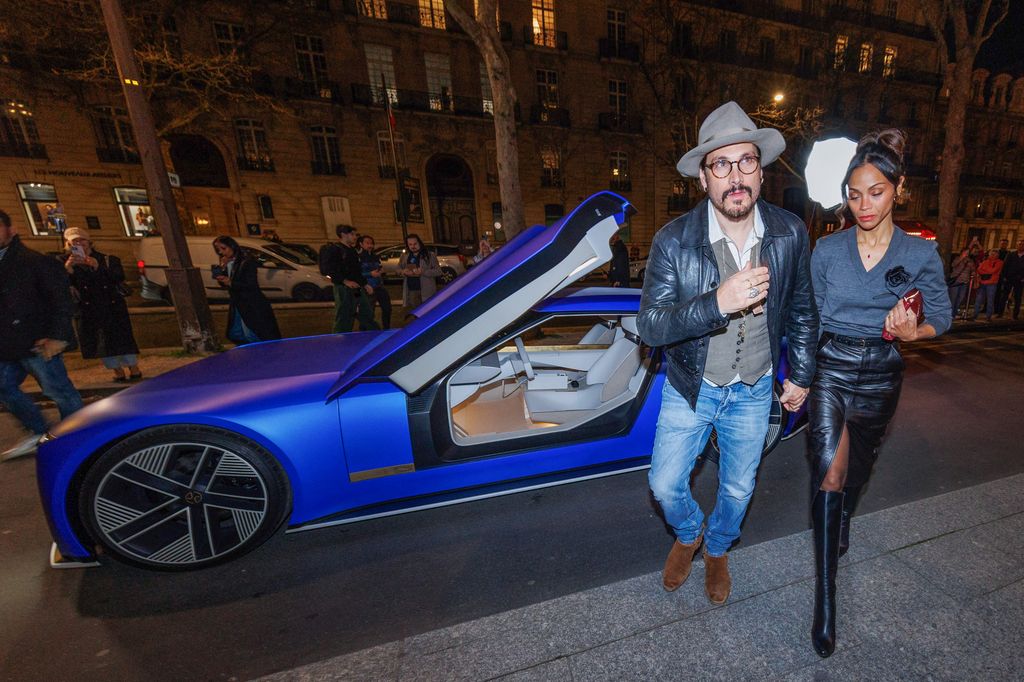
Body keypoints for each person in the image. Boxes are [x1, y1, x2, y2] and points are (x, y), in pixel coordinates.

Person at [637, 101, 818, 606]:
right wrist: (717, 302)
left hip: (756, 389)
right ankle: (690, 531)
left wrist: (800, 372)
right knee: (664, 485)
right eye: (721, 164)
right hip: (692, 389)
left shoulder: (788, 233)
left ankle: (717, 548)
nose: (734, 176)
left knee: (738, 491)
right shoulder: (672, 242)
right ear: (703, 178)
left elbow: (803, 308)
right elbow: (650, 326)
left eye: (746, 162)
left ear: (761, 173)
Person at [806, 129, 951, 658]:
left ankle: (843, 514)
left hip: (883, 374)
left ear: (898, 190)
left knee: (856, 474)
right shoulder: (826, 249)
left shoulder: (918, 253)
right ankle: (826, 602)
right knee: (830, 471)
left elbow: (943, 315)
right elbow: (810, 319)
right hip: (832, 370)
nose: (863, 204)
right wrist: (798, 377)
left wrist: (917, 333)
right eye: (853, 193)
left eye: (876, 192)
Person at [0, 209, 84, 461]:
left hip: (39, 341)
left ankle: (77, 436)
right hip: (6, 344)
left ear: (11, 231)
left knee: (59, 391)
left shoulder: (35, 261)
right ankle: (39, 432)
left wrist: (57, 336)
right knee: (3, 386)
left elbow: (61, 301)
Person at [62, 227, 141, 382]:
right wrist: (68, 270)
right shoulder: (63, 262)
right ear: (68, 244)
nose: (79, 244)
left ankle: (134, 368)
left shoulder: (108, 259)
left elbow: (118, 277)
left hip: (112, 306)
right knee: (101, 343)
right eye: (74, 242)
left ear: (89, 241)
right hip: (88, 309)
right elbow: (59, 285)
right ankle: (118, 372)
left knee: (122, 339)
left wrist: (97, 267)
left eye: (82, 240)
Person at [212, 236, 281, 344]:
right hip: (238, 303)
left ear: (232, 246)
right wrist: (223, 272)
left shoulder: (247, 262)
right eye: (218, 250)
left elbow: (250, 284)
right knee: (238, 333)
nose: (221, 252)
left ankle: (264, 355)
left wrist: (231, 282)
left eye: (223, 248)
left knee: (254, 333)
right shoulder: (228, 263)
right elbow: (226, 283)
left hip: (251, 303)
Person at [322, 225, 377, 333]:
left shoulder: (352, 250)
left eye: (355, 234)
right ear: (343, 235)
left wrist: (365, 284)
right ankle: (341, 338)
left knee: (364, 309)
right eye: (352, 234)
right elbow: (327, 269)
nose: (355, 237)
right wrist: (345, 281)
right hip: (344, 289)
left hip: (356, 288)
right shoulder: (334, 250)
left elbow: (356, 271)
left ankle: (373, 333)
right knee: (344, 314)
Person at [399, 233, 441, 310]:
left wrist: (423, 272)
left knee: (429, 313)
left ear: (420, 243)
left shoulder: (430, 255)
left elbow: (438, 271)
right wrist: (403, 271)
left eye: (415, 244)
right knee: (417, 313)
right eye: (410, 244)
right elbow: (398, 269)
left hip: (427, 291)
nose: (413, 246)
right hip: (412, 290)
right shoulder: (405, 256)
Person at [358, 234, 391, 330]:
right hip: (367, 287)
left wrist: (381, 272)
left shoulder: (375, 256)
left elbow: (379, 267)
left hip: (379, 286)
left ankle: (386, 329)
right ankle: (366, 331)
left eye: (371, 243)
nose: (370, 245)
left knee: (387, 309)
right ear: (361, 244)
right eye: (367, 243)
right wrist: (370, 274)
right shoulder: (359, 258)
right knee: (368, 312)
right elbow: (357, 274)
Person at [972, 249, 1003, 321]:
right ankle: (975, 315)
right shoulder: (985, 261)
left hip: (992, 284)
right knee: (978, 300)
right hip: (982, 283)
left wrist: (985, 270)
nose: (992, 255)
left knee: (990, 300)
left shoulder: (1000, 262)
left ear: (997, 255)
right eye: (991, 254)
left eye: (994, 254)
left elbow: (993, 270)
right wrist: (988, 271)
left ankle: (988, 316)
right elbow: (979, 270)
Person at [999, 239, 1024, 320]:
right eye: (1019, 244)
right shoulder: (1011, 254)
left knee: (1018, 298)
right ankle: (1000, 313)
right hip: (1009, 278)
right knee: (1004, 296)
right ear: (1017, 245)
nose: (1021, 246)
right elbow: (1005, 266)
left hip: (1020, 279)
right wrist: (1004, 277)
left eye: (1023, 244)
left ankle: (1015, 315)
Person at [947, 247, 975, 318]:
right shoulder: (957, 259)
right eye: (965, 252)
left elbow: (973, 269)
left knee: (960, 298)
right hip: (956, 282)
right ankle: (950, 314)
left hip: (964, 282)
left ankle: (955, 312)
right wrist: (961, 258)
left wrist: (973, 273)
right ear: (962, 252)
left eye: (968, 252)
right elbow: (953, 265)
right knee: (953, 298)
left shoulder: (970, 261)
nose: (966, 254)